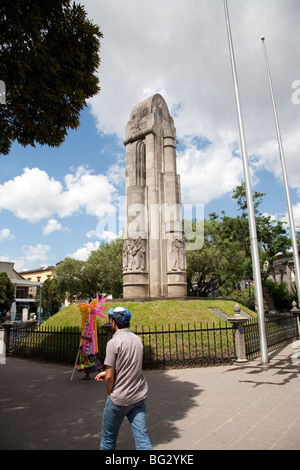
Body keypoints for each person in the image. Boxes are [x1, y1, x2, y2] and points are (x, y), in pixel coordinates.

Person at [95, 306, 152, 450]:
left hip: (119, 399)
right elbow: (130, 364)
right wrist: (109, 373)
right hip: (139, 396)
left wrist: (110, 394)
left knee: (108, 440)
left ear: (113, 322)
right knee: (142, 439)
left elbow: (109, 377)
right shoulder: (137, 340)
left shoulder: (113, 343)